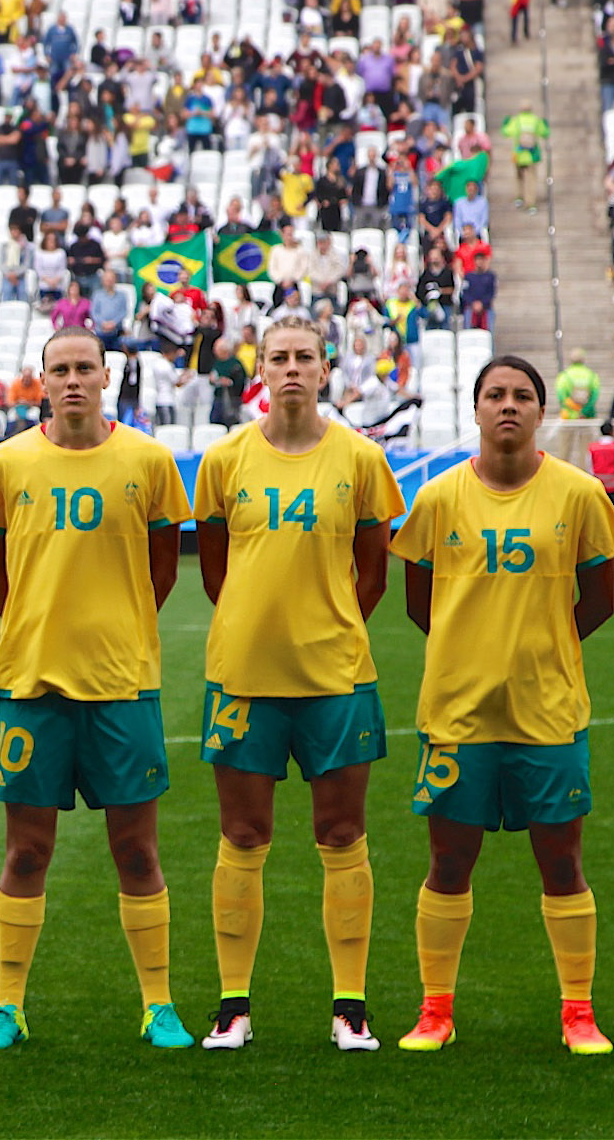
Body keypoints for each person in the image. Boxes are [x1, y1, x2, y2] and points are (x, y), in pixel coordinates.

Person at [0, 327, 194, 1052]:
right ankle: (8, 1004)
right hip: (33, 683)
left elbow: (163, 567)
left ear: (105, 376)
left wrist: (118, 626)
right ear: (40, 380)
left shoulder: (149, 459)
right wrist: (37, 623)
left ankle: (157, 1003)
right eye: (58, 370)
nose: (71, 381)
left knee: (136, 850)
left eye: (83, 368)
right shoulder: (5, 464)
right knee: (27, 851)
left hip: (123, 684)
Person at [389, 356, 614, 1056]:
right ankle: (435, 1009)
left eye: (523, 395)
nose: (509, 405)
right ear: (475, 408)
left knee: (561, 860)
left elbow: (602, 599)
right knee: (449, 860)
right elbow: (417, 600)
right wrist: (473, 652)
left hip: (548, 713)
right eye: (495, 394)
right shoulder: (436, 499)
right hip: (459, 715)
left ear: (542, 410)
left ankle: (578, 1010)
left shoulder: (580, 494)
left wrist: (543, 648)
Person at [191, 313, 405, 1052]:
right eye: (277, 356)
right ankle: (232, 1005)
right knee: (243, 834)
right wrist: (254, 622)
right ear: (261, 367)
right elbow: (214, 566)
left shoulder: (360, 457)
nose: (290, 367)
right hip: (244, 674)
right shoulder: (225, 460)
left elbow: (373, 568)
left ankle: (350, 1005)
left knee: (341, 832)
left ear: (324, 368)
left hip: (336, 676)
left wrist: (332, 622)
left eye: (303, 356)